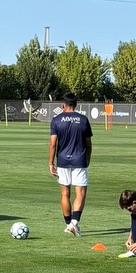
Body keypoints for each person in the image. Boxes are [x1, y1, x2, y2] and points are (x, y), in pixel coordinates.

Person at [48, 93, 92, 237]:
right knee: (81, 193)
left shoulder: (56, 120)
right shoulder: (83, 119)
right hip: (80, 160)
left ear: (63, 105)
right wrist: (88, 158)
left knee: (65, 193)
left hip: (62, 161)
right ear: (76, 104)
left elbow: (53, 144)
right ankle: (74, 223)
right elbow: (88, 144)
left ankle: (68, 224)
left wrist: (51, 163)